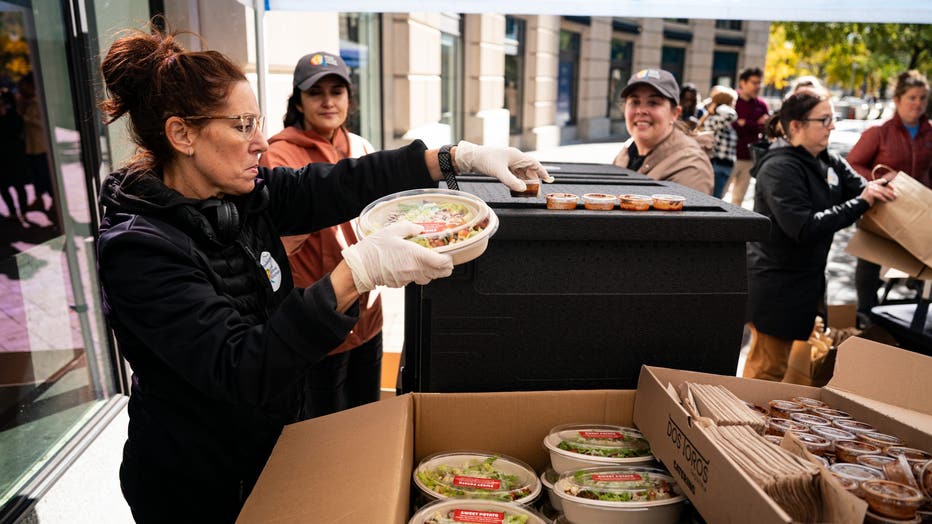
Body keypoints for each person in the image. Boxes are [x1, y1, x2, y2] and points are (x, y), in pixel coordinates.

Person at [96, 24, 547, 523]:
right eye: (242, 126)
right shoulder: (139, 250)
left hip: (269, 446)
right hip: (195, 484)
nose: (260, 143)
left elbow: (337, 184)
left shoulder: (239, 195)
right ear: (182, 134)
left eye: (257, 122)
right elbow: (241, 368)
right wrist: (356, 273)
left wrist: (452, 157)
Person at [259, 51, 382, 419]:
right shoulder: (278, 156)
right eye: (315, 93)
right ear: (298, 102)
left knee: (368, 418)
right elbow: (277, 241)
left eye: (336, 91)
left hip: (368, 317)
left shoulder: (361, 147)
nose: (328, 101)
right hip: (318, 318)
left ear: (349, 98)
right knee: (325, 428)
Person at [744, 90, 897, 382]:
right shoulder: (779, 167)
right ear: (796, 126)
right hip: (776, 286)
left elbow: (862, 188)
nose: (832, 126)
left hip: (805, 285)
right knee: (767, 371)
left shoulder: (826, 159)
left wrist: (881, 189)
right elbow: (803, 227)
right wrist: (862, 202)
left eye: (832, 118)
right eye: (824, 120)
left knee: (788, 371)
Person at [846, 70, 932, 324]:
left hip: (918, 212)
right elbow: (851, 165)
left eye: (922, 98)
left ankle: (916, 317)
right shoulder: (879, 132)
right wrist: (881, 180)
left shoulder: (930, 133)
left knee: (923, 264)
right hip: (881, 209)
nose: (917, 103)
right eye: (912, 97)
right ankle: (866, 314)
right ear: (897, 99)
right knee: (870, 262)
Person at [613, 69, 713, 194]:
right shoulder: (628, 151)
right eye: (635, 102)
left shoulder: (691, 167)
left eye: (653, 103)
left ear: (675, 113)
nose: (641, 111)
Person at [727, 67, 771, 206]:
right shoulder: (732, 100)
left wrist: (745, 123)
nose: (757, 86)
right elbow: (731, 126)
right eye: (754, 82)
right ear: (743, 82)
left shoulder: (762, 105)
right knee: (719, 195)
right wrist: (754, 124)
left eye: (759, 83)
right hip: (729, 157)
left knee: (738, 199)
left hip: (749, 159)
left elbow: (766, 128)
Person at [17, 72, 53, 216]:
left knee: (45, 176)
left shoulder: (38, 103)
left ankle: (54, 203)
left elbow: (43, 123)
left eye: (25, 86)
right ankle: (40, 201)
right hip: (30, 147)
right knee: (36, 177)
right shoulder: (24, 102)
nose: (23, 89)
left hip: (40, 147)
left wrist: (27, 118)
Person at [697, 86, 738, 198]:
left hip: (726, 166)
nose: (734, 105)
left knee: (718, 198)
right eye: (732, 102)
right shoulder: (715, 120)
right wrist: (718, 107)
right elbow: (732, 115)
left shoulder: (723, 121)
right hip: (716, 165)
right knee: (714, 199)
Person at [0, 89, 29, 226]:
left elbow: (17, 132)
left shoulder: (14, 116)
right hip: (2, 158)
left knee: (19, 186)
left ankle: (23, 212)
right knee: (3, 187)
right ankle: (12, 212)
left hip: (14, 156)